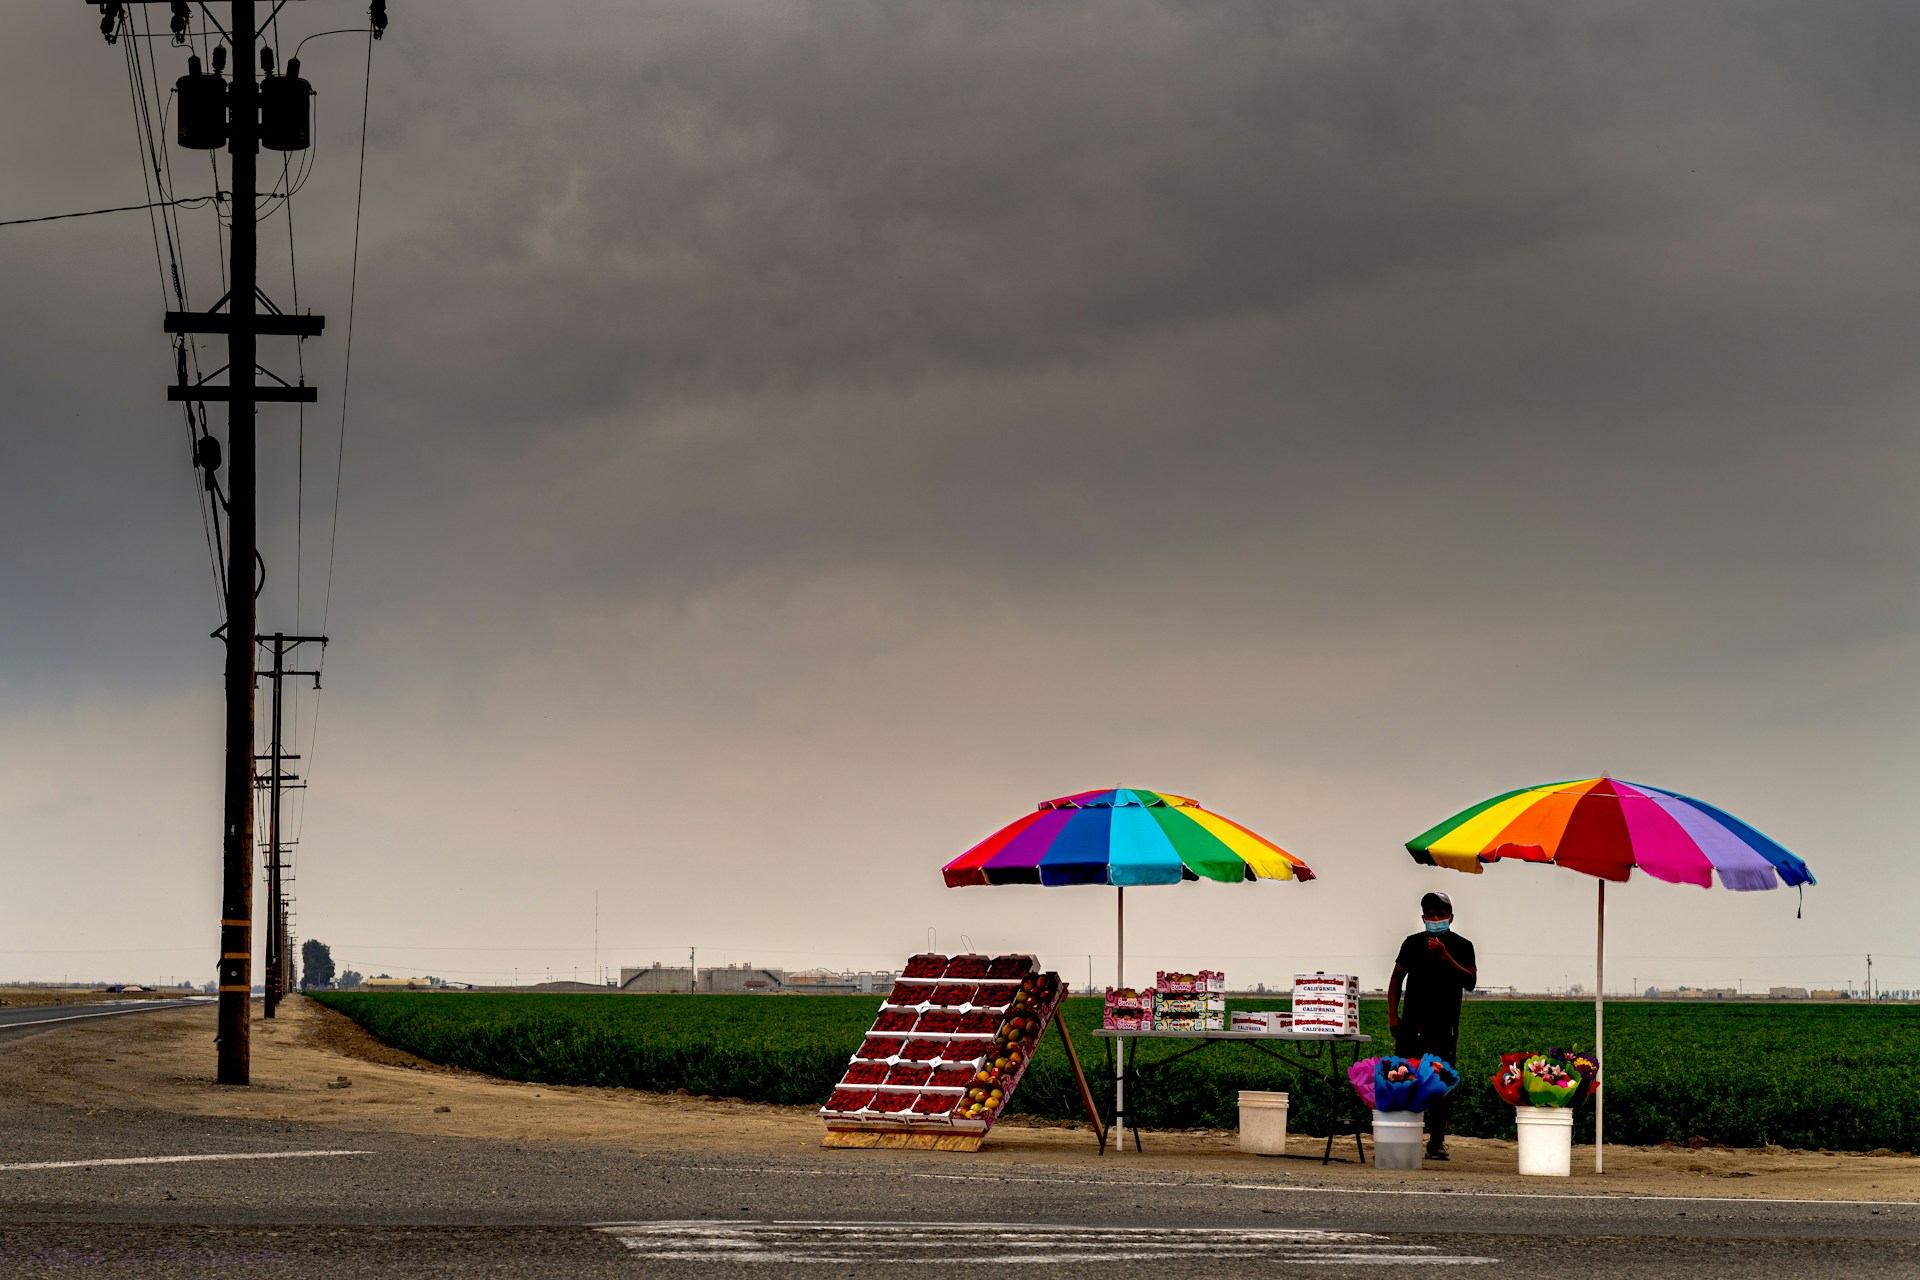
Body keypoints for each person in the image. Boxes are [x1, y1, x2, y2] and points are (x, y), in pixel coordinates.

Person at [1387, 890, 1477, 1160]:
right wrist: (1393, 1016)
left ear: (1451, 917)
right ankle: (1402, 1138)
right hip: (1411, 1027)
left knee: (1441, 1085)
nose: (1435, 919)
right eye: (1430, 915)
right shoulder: (1412, 943)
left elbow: (1470, 981)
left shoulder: (1463, 946)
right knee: (1403, 1080)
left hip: (1444, 1028)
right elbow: (1396, 980)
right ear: (1423, 917)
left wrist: (1445, 956)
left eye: (1441, 914)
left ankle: (1436, 1142)